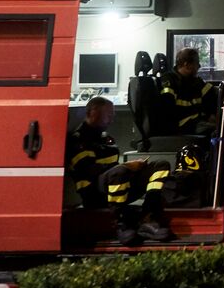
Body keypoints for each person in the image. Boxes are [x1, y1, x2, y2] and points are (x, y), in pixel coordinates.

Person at [66, 96, 175, 245]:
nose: (112, 119)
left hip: (115, 186)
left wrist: (131, 168)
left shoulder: (105, 138)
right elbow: (89, 170)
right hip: (94, 195)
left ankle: (148, 216)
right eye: (109, 115)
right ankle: (120, 223)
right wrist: (126, 167)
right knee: (120, 172)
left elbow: (112, 169)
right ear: (93, 113)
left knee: (160, 166)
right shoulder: (79, 139)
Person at [158, 48, 219, 135]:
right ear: (186, 65)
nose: (199, 66)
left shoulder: (194, 82)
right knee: (217, 131)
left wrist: (211, 114)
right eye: (196, 63)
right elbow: (168, 110)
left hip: (195, 122)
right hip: (180, 126)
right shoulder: (169, 81)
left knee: (220, 127)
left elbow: (213, 93)